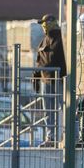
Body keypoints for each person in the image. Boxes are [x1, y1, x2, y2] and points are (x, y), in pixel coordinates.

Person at [32, 14, 66, 143]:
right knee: (48, 112)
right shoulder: (44, 40)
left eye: (45, 23)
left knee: (67, 109)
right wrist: (35, 78)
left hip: (61, 80)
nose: (43, 26)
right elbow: (39, 62)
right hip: (46, 81)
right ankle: (50, 137)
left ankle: (71, 136)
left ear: (51, 23)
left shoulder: (62, 38)